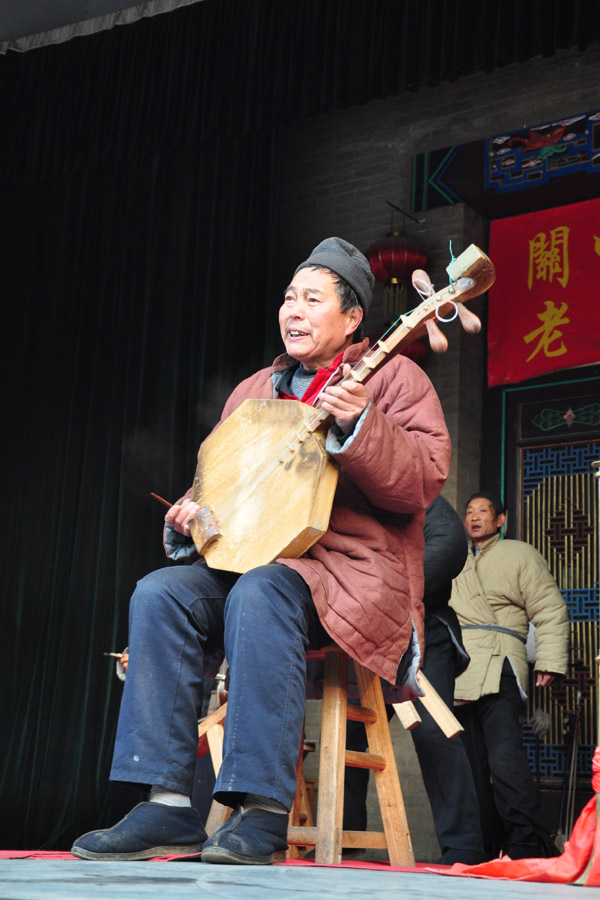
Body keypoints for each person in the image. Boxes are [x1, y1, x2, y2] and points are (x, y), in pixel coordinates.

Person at [71, 237, 451, 865]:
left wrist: (362, 425)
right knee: (161, 593)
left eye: (311, 299)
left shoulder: (393, 376)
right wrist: (191, 516)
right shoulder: (255, 390)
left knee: (263, 588)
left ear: (352, 317)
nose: (292, 311)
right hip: (252, 565)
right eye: (287, 298)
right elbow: (220, 486)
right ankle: (165, 808)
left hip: (348, 576)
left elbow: (422, 482)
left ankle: (263, 810)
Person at [343, 494, 486, 865]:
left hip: (422, 625)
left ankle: (463, 849)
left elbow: (449, 547)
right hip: (367, 630)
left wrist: (382, 588)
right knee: (352, 733)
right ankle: (344, 833)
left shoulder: (417, 495)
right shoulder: (346, 495)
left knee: (435, 733)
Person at [450, 492, 569, 860]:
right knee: (468, 763)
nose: (474, 518)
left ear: (500, 519)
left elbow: (549, 608)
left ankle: (526, 841)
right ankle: (484, 843)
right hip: (460, 667)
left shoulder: (520, 554)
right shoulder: (454, 559)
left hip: (501, 662)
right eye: (469, 512)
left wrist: (549, 659)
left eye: (483, 511)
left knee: (505, 759)